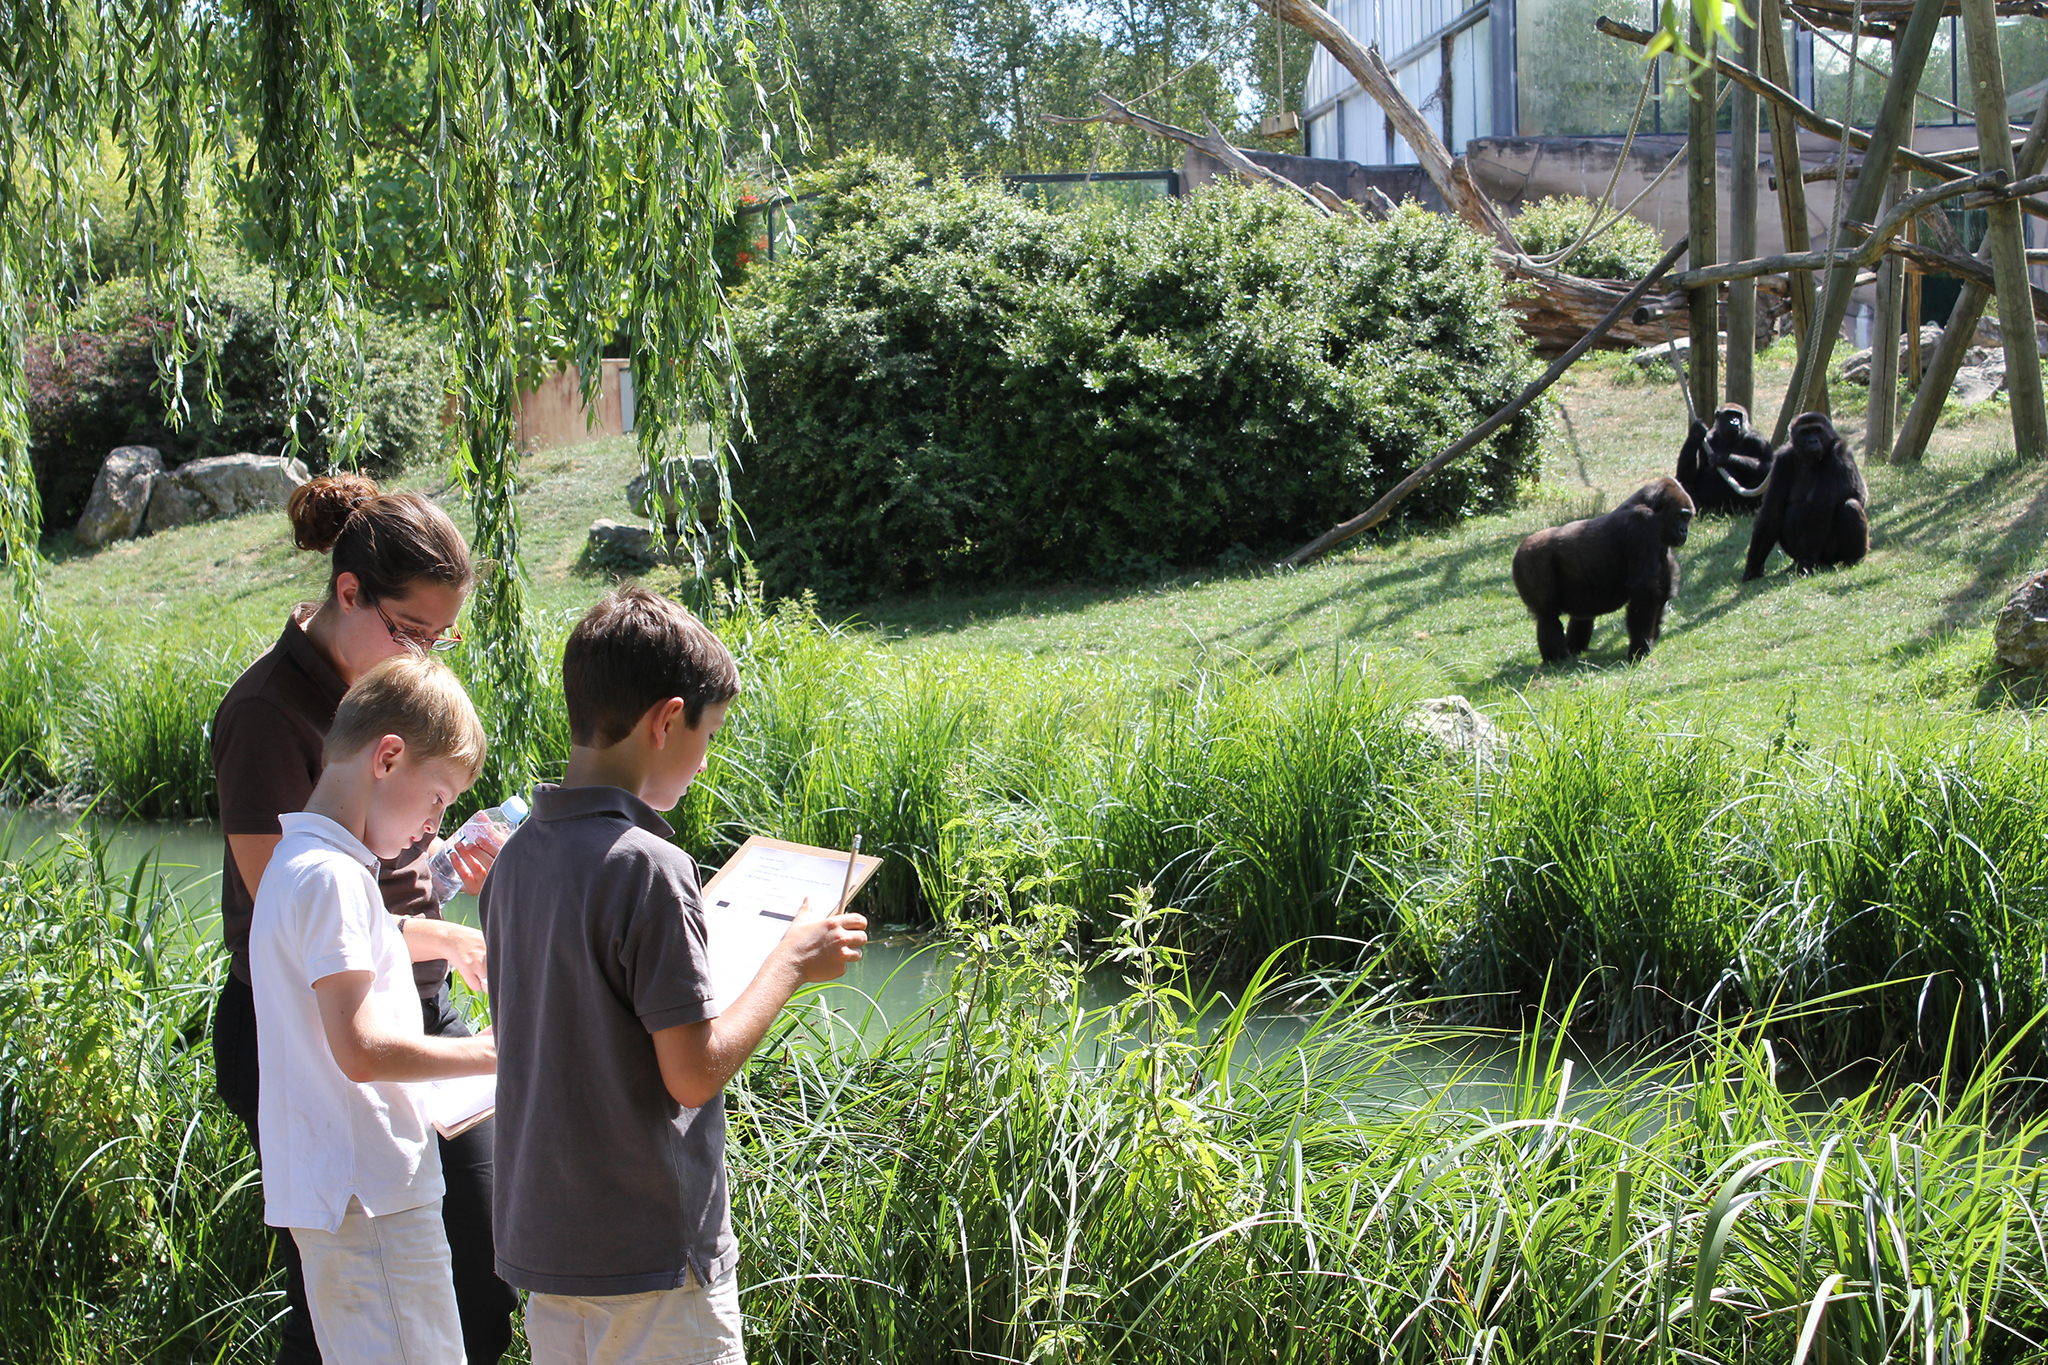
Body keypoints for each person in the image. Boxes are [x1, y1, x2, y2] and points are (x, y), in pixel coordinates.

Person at [482, 586, 868, 1365]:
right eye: (709, 733)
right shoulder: (653, 867)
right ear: (666, 719)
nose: (704, 759)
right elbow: (691, 1075)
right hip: (653, 1261)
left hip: (548, 1250)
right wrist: (790, 961)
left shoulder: (515, 858)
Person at [209, 474, 518, 1364]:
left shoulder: (389, 713)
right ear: (349, 593)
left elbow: (380, 876)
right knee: (353, 1300)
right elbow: (298, 918)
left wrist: (441, 871)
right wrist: (454, 956)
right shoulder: (269, 714)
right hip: (318, 1040)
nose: (424, 656)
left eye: (440, 637)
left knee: (476, 1266)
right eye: (411, 631)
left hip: (413, 1010)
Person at [249, 653, 498, 1364]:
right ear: (388, 756)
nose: (433, 825)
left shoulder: (302, 862)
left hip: (340, 1193)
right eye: (437, 798)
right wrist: (495, 1051)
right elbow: (357, 1047)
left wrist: (442, 936)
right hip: (371, 1194)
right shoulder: (333, 879)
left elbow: (361, 944)